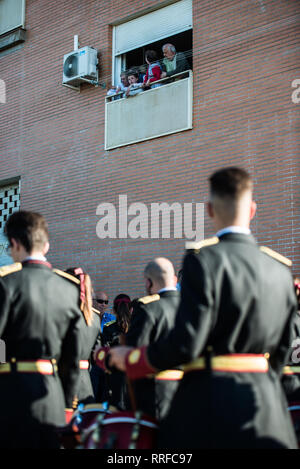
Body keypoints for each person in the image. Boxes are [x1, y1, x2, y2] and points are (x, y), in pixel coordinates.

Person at [101, 167, 298, 449]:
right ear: (253, 209)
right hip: (267, 410)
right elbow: (281, 349)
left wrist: (132, 359)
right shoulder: (279, 269)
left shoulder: (202, 260)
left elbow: (187, 342)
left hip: (209, 406)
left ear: (209, 210)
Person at [0, 211, 82, 448]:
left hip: (12, 394)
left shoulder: (7, 284)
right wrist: (67, 406)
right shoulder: (69, 290)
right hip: (53, 396)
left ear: (14, 243)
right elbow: (72, 357)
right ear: (46, 245)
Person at [124, 258, 181, 420]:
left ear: (148, 283)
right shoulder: (193, 309)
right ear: (175, 280)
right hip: (188, 392)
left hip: (155, 395)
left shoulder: (148, 309)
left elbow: (134, 357)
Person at [65, 267, 101, 405]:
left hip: (64, 381)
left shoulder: (64, 312)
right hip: (86, 383)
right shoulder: (94, 317)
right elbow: (95, 354)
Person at [101, 294, 132, 409]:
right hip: (134, 376)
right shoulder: (137, 326)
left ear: (114, 310)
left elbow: (104, 356)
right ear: (131, 309)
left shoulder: (108, 328)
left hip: (114, 378)